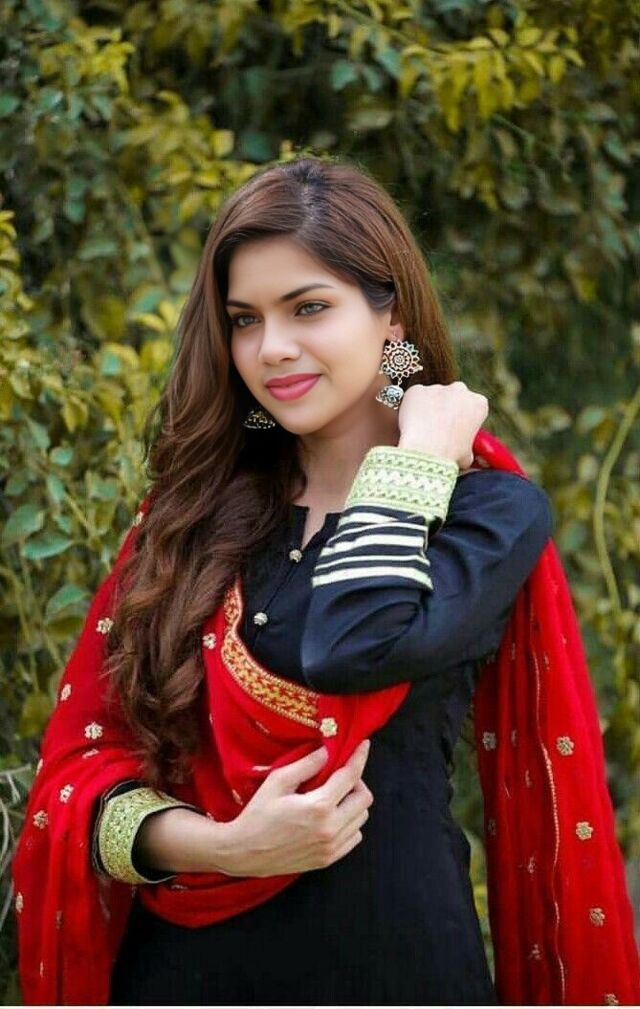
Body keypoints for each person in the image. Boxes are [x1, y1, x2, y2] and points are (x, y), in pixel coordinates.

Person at [11, 157, 640, 1007]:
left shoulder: (487, 513)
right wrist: (227, 848)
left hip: (400, 974)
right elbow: (79, 774)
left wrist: (417, 455)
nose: (271, 347)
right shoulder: (191, 517)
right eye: (244, 319)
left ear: (393, 318)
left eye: (308, 307)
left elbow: (352, 642)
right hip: (181, 977)